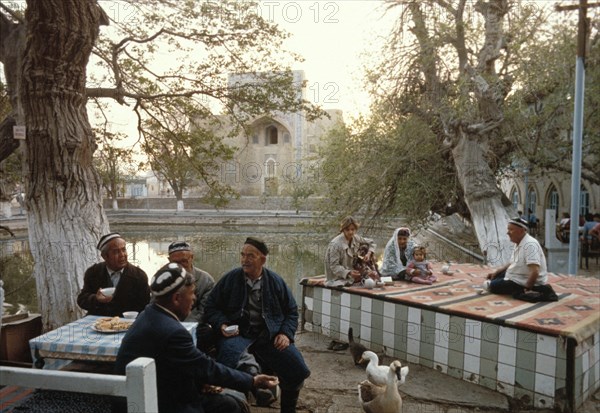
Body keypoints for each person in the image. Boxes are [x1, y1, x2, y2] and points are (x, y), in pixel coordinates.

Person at [115, 262, 279, 413]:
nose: (194, 299)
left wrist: (200, 382)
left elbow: (181, 366)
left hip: (142, 395)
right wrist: (253, 381)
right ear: (177, 298)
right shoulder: (173, 332)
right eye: (192, 293)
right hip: (159, 404)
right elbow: (206, 368)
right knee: (233, 404)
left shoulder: (147, 314)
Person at [203, 237, 310, 413]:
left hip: (268, 336)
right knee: (235, 363)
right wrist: (222, 325)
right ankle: (248, 396)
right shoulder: (230, 279)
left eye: (250, 256)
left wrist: (285, 333)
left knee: (297, 368)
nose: (245, 260)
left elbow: (291, 311)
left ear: (262, 259)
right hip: (237, 336)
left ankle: (288, 409)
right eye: (243, 255)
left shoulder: (275, 281)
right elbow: (211, 307)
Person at [77, 233, 150, 316]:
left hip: (127, 323)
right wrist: (96, 299)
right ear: (105, 256)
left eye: (123, 250)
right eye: (116, 252)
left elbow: (146, 306)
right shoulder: (94, 272)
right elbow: (82, 300)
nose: (122, 255)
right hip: (98, 322)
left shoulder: (138, 275)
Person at [484, 218, 557, 302]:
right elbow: (512, 262)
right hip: (517, 275)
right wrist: (496, 272)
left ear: (521, 231)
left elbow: (535, 271)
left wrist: (527, 289)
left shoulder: (530, 245)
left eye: (511, 230)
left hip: (523, 280)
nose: (508, 233)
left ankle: (538, 289)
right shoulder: (519, 242)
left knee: (490, 286)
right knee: (495, 277)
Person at [167, 241, 215, 322]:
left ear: (192, 258)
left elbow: (205, 311)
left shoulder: (206, 280)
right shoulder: (163, 279)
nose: (180, 266)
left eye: (184, 261)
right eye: (175, 263)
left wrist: (183, 325)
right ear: (169, 260)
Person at [324, 216, 376, 287]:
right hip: (336, 278)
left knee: (373, 276)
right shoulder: (335, 245)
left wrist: (368, 254)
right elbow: (334, 266)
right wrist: (349, 273)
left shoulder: (356, 238)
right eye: (347, 230)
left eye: (352, 229)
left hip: (351, 273)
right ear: (343, 230)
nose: (350, 232)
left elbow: (371, 243)